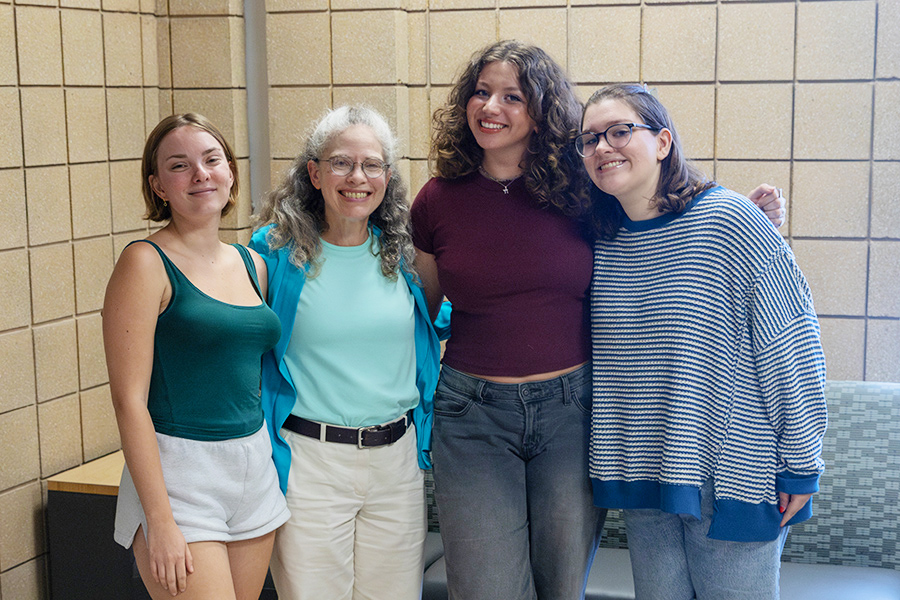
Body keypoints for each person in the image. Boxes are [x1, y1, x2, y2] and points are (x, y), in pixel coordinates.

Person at [410, 40, 788, 600]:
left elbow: (661, 219)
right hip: (473, 415)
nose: (491, 106)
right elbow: (423, 307)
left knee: (563, 586)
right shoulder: (437, 200)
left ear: (541, 110)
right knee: (486, 587)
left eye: (512, 96)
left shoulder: (581, 191)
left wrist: (750, 224)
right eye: (481, 92)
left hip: (572, 411)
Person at [578, 83, 827, 600]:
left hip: (732, 474)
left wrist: (802, 464)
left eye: (620, 131)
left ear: (663, 142)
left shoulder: (731, 220)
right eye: (590, 139)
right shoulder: (601, 238)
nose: (603, 147)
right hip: (646, 480)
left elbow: (792, 344)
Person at [249, 105, 447, 600]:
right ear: (314, 173)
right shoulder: (272, 254)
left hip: (396, 464)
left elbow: (440, 323)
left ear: (387, 176)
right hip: (310, 463)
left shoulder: (404, 256)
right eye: (341, 163)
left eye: (372, 165)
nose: (357, 177)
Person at [103, 113, 290, 600]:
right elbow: (128, 402)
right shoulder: (144, 262)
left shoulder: (254, 264)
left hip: (252, 464)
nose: (200, 174)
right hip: (180, 473)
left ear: (230, 171)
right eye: (179, 166)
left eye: (211, 160)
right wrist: (160, 521)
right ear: (158, 185)